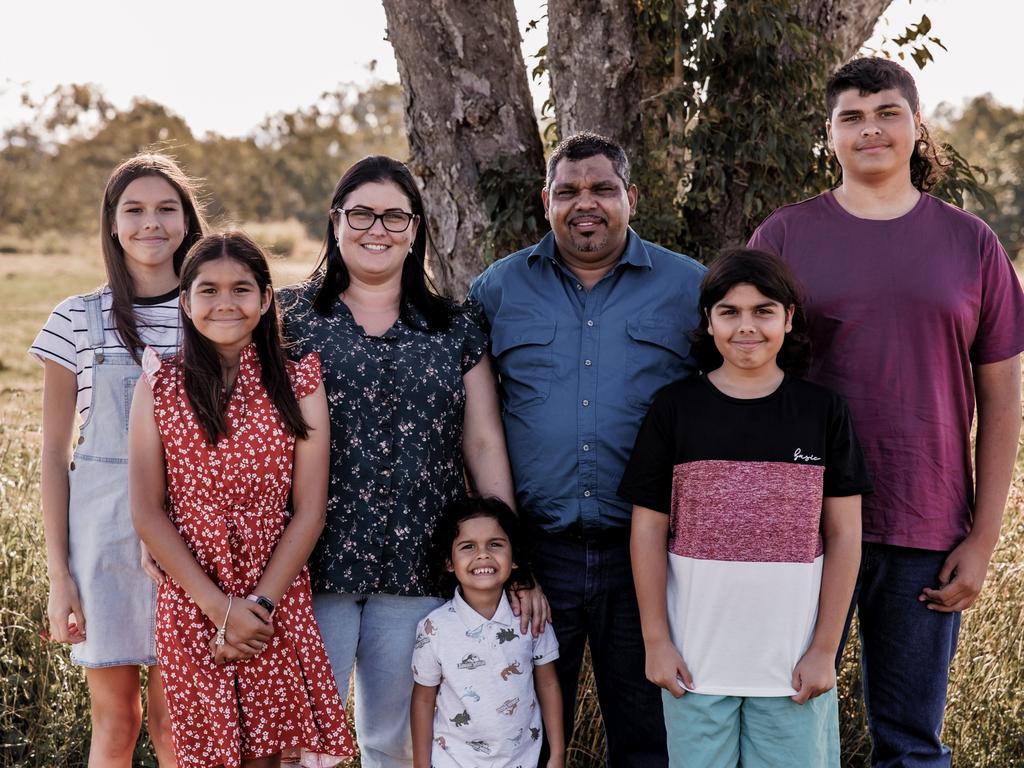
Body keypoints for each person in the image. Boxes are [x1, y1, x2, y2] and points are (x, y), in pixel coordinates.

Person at [748, 56, 1024, 767]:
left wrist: (983, 537)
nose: (870, 129)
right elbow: (742, 375)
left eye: (886, 113)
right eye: (851, 118)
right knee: (783, 730)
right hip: (801, 525)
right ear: (829, 134)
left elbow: (1001, 397)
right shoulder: (783, 239)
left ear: (916, 124)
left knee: (910, 744)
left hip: (925, 524)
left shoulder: (973, 244)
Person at [281, 155, 535, 768]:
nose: (378, 229)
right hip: (312, 564)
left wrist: (510, 554)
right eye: (361, 213)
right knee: (303, 745)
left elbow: (482, 444)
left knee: (394, 741)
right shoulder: (288, 321)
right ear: (335, 222)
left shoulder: (453, 326)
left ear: (416, 228)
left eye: (395, 215)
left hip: (419, 563)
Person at [469, 132, 706, 766]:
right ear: (545, 201)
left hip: (651, 556)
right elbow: (469, 418)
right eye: (568, 191)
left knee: (651, 737)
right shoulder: (498, 289)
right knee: (523, 737)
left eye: (602, 188)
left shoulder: (690, 290)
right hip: (536, 559)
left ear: (632, 196)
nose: (586, 203)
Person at [621, 249, 871, 767]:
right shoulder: (675, 408)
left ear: (788, 319)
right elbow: (648, 531)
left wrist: (826, 649)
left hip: (791, 670)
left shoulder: (822, 411)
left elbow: (845, 536)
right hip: (694, 668)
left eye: (763, 310)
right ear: (708, 321)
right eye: (729, 312)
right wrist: (656, 642)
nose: (746, 326)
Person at [129, 232, 355, 767]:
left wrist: (255, 608)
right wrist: (216, 607)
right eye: (207, 290)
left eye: (241, 289)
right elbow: (146, 508)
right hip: (191, 596)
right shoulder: (159, 385)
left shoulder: (300, 383)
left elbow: (309, 510)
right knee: (202, 751)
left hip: (272, 595)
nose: (225, 303)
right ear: (185, 301)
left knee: (265, 755)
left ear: (266, 299)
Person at [30, 152, 206, 766]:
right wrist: (60, 576)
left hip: (193, 537)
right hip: (101, 537)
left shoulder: (210, 310)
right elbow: (55, 456)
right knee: (117, 720)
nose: (150, 223)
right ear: (112, 222)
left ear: (187, 222)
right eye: (134, 209)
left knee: (178, 722)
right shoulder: (77, 318)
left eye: (166, 208)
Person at [410, 497, 563, 768]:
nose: (483, 554)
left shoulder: (530, 618)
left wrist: (558, 753)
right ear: (449, 561)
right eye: (468, 546)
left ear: (515, 558)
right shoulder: (434, 628)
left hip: (523, 760)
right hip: (454, 761)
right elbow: (423, 699)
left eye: (495, 544)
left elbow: (548, 684)